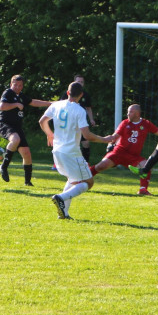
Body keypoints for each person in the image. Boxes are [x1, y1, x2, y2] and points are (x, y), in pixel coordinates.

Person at [39, 81, 114, 219]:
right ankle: (61, 197)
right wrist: (105, 139)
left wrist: (49, 134)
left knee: (73, 180)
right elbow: (87, 135)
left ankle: (64, 213)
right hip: (71, 152)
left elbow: (42, 121)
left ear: (68, 93)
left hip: (57, 151)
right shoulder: (80, 110)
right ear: (81, 95)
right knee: (88, 182)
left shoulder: (56, 105)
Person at [89, 104, 158, 195]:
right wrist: (109, 142)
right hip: (118, 152)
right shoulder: (125, 123)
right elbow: (115, 136)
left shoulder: (146, 124)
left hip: (133, 157)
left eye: (130, 112)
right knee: (101, 166)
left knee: (146, 165)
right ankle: (82, 178)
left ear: (137, 114)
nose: (127, 114)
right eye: (128, 112)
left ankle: (143, 190)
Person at [0, 75, 51, 186]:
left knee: (26, 153)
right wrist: (16, 104)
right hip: (5, 124)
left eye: (20, 85)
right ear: (11, 84)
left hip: (17, 127)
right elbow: (2, 106)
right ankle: (4, 166)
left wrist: (50, 103)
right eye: (15, 85)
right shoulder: (8, 93)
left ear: (22, 86)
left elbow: (34, 102)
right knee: (15, 139)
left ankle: (27, 182)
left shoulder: (21, 96)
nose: (17, 87)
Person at [59, 74, 96, 162]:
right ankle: (59, 162)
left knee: (86, 143)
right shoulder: (67, 94)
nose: (80, 83)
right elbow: (60, 105)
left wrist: (91, 119)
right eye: (78, 81)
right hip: (69, 123)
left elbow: (88, 108)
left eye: (81, 82)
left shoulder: (85, 95)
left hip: (81, 123)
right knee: (66, 143)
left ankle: (85, 162)